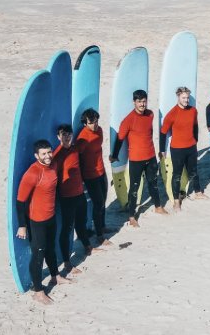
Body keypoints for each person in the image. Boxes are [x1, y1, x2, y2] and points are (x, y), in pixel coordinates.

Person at [16, 139, 71, 305]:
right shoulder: (32, 173)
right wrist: (22, 225)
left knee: (51, 249)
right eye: (44, 154)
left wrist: (62, 143)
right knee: (38, 254)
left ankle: (55, 276)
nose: (47, 156)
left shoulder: (53, 165)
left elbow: (62, 152)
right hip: (37, 221)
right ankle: (38, 291)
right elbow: (20, 201)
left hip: (51, 217)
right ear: (36, 155)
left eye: (49, 152)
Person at [110, 89, 167, 227]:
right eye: (139, 101)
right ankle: (131, 217)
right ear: (134, 102)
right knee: (134, 188)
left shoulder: (150, 114)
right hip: (136, 159)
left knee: (153, 183)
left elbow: (150, 132)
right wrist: (115, 155)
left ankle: (158, 206)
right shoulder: (128, 120)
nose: (142, 104)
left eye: (144, 101)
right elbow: (120, 139)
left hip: (151, 156)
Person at [53, 124, 93, 275]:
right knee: (67, 229)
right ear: (58, 137)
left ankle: (87, 247)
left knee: (81, 223)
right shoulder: (56, 155)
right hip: (67, 197)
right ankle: (67, 262)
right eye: (63, 134)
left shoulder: (76, 149)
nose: (67, 137)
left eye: (69, 134)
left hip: (79, 194)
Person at [160, 86, 205, 212]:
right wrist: (162, 149)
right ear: (178, 97)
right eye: (183, 98)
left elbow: (195, 126)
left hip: (191, 147)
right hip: (177, 149)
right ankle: (176, 202)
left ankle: (198, 192)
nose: (186, 100)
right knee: (177, 175)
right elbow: (163, 132)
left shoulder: (193, 111)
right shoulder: (172, 113)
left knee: (194, 171)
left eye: (187, 98)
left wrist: (195, 140)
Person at [77, 108, 111, 247]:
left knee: (103, 200)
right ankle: (99, 236)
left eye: (96, 122)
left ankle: (102, 226)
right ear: (85, 123)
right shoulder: (82, 139)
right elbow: (77, 159)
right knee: (98, 204)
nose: (95, 125)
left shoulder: (100, 131)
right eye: (91, 123)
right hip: (90, 176)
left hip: (101, 171)